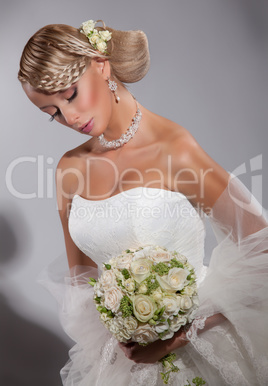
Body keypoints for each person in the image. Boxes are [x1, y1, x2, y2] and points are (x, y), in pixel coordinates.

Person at [18, 19, 268, 386]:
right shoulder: (68, 171)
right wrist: (122, 328)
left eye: (70, 95)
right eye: (52, 113)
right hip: (121, 365)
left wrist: (181, 334)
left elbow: (262, 251)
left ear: (101, 66)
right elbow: (82, 282)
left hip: (203, 353)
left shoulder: (174, 150)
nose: (68, 117)